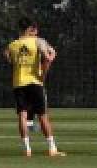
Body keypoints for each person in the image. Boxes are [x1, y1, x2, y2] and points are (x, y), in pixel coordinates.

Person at [5, 19, 65, 157]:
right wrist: (43, 74)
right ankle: (52, 148)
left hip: (19, 82)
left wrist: (18, 65)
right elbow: (48, 58)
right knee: (43, 115)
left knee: (22, 115)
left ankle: (27, 149)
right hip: (34, 82)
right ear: (30, 28)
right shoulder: (37, 41)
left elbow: (7, 57)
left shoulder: (13, 45)